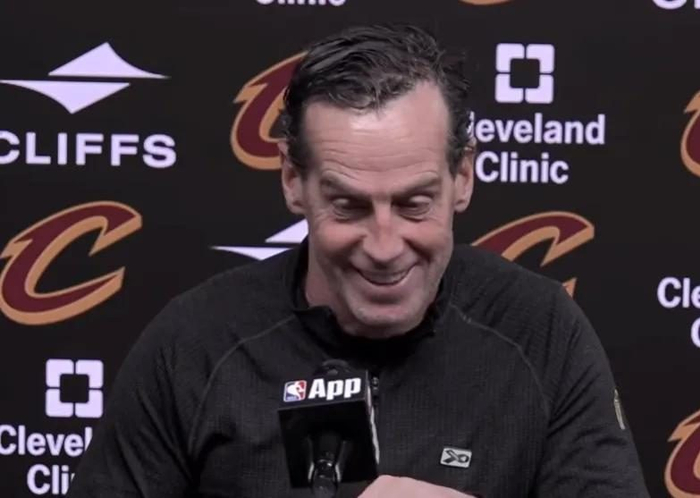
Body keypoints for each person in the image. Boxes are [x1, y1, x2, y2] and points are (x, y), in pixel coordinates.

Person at [67, 24, 650, 497]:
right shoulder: (194, 344)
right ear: (293, 180)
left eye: (414, 204)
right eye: (348, 206)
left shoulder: (540, 330)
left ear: (463, 177)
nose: (384, 246)